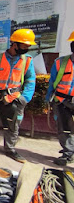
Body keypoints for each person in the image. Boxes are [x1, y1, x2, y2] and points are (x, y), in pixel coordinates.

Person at [0, 29, 36, 163]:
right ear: (14, 44)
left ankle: (10, 149)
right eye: (24, 45)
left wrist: (24, 98)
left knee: (13, 124)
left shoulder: (27, 61)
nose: (27, 48)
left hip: (15, 98)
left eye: (28, 46)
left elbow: (30, 80)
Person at [45, 31, 74, 166]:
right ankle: (68, 153)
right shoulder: (61, 63)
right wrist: (47, 99)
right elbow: (52, 82)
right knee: (64, 129)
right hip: (62, 101)